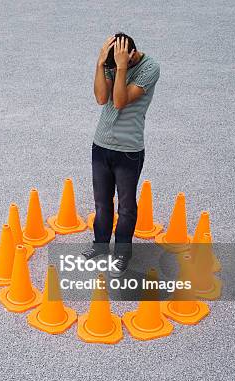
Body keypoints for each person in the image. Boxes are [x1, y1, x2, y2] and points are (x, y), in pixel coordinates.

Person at [81, 33, 160, 273]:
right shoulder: (111, 63)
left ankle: (123, 253)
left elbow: (119, 101)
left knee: (126, 206)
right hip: (101, 145)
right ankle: (100, 245)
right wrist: (100, 62)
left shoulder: (150, 68)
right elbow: (101, 97)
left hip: (128, 149)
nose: (114, 69)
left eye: (120, 63)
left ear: (132, 54)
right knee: (102, 203)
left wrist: (122, 67)